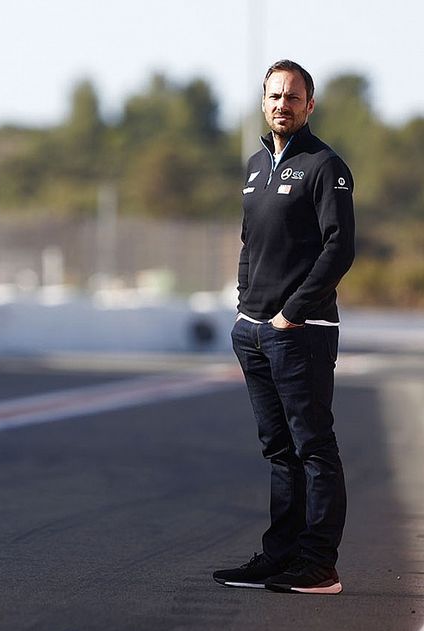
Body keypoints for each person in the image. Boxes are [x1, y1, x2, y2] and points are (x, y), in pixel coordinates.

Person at [213, 60, 355, 595]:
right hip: (255, 331)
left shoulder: (326, 166)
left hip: (302, 330)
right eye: (274, 96)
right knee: (280, 452)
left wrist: (291, 311)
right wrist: (244, 308)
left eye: (293, 97)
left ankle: (320, 564)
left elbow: (341, 247)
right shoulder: (255, 164)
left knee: (314, 448)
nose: (282, 105)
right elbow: (250, 241)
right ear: (263, 101)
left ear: (309, 105)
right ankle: (281, 556)